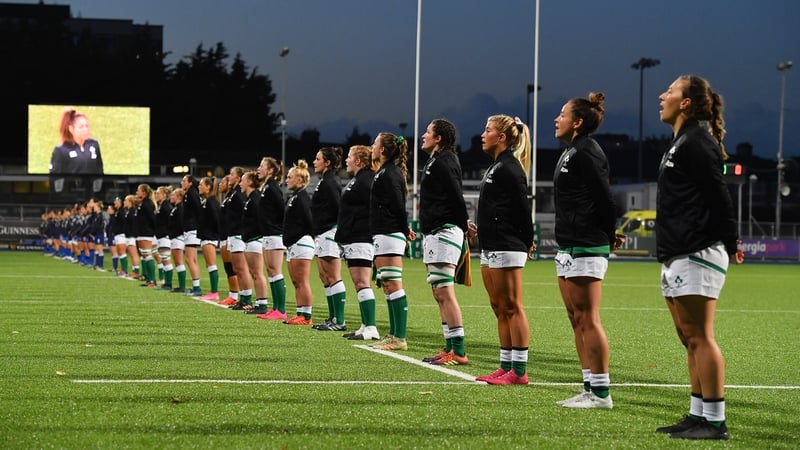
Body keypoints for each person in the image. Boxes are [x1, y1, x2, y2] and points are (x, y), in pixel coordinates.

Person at [654, 75, 743, 440]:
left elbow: (718, 195)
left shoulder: (697, 141)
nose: (663, 95)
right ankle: (697, 414)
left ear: (687, 102)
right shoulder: (681, 142)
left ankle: (716, 422)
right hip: (679, 252)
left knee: (701, 336)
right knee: (688, 337)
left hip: (698, 251)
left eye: (670, 91)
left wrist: (731, 240)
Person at [552, 93, 624, 408]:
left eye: (562, 114)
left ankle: (602, 393)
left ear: (578, 122)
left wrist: (609, 234)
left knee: (588, 318)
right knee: (576, 318)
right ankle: (589, 387)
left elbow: (605, 198)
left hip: (586, 244)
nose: (557, 119)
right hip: (569, 244)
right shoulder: (572, 151)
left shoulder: (587, 151)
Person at [472, 115, 534, 385]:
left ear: (502, 138)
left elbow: (522, 210)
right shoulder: (497, 167)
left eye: (487, 130)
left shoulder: (510, 167)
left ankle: (519, 372)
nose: (482, 135)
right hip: (492, 244)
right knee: (499, 307)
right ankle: (505, 365)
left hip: (508, 245)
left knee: (512, 306)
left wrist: (527, 240)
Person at [418, 119, 470, 366]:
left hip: (445, 231)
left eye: (428, 132)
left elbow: (455, 196)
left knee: (444, 291)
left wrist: (463, 222)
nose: (423, 135)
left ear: (439, 138)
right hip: (436, 231)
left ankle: (458, 350)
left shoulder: (446, 161)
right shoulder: (436, 161)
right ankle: (449, 345)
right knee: (438, 292)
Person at [369, 132, 414, 351]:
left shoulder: (391, 173)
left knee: (393, 283)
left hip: (390, 233)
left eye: (375, 143)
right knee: (387, 284)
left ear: (384, 150)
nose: (372, 146)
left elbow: (398, 204)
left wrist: (404, 229)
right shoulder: (384, 172)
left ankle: (399, 337)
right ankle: (394, 335)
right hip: (383, 233)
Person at [337, 145, 380, 341]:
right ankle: (365, 325)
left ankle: (371, 327)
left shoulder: (367, 180)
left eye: (349, 156)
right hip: (354, 237)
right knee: (358, 283)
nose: (346, 160)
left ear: (359, 161)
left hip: (361, 237)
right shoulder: (359, 179)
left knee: (362, 282)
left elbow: (375, 207)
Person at [311, 147, 347, 331]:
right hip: (322, 233)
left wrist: (336, 230)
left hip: (329, 232)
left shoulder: (331, 181)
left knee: (333, 276)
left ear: (328, 163)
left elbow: (337, 207)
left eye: (317, 159)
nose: (314, 162)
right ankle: (332, 317)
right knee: (324, 276)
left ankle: (339, 321)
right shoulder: (324, 180)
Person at [255, 157, 288, 321]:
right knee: (271, 272)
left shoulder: (273, 187)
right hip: (268, 234)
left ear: (270, 170)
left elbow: (282, 210)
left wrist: (279, 229)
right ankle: (275, 308)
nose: (258, 169)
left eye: (261, 166)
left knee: (276, 271)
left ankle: (281, 309)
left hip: (275, 234)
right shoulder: (266, 187)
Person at [282, 160, 315, 325]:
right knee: (296, 281)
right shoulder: (295, 197)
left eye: (290, 177)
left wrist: (297, 236)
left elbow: (309, 222)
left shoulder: (302, 198)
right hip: (294, 243)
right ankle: (300, 312)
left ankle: (306, 316)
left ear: (300, 180)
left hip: (301, 242)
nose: (286, 180)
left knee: (301, 281)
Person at [238, 171, 270, 314]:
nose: (240, 183)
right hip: (251, 240)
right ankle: (258, 302)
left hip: (255, 240)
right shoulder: (251, 198)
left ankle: (262, 305)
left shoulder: (255, 198)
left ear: (250, 182)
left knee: (257, 273)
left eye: (242, 180)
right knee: (254, 273)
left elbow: (261, 219)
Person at [49, 108, 104, 175]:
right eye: (81, 127)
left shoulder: (93, 144)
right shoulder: (61, 150)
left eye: (87, 126)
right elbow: (55, 178)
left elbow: (100, 172)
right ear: (71, 129)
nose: (85, 129)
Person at [217, 174, 242, 306]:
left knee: (233, 268)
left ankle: (235, 295)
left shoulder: (235, 195)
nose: (220, 184)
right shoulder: (228, 197)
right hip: (225, 236)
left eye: (223, 182)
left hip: (231, 235)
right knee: (229, 267)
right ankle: (233, 294)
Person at [198, 177, 222, 302]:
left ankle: (214, 292)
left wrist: (214, 234)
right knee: (209, 264)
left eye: (201, 184)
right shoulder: (208, 201)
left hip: (209, 236)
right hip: (206, 236)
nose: (199, 186)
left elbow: (217, 219)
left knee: (212, 265)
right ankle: (213, 291)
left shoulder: (212, 201)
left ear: (208, 187)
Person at [181, 175, 203, 296]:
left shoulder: (192, 193)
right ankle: (196, 286)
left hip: (192, 229)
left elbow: (198, 209)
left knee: (190, 259)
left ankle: (197, 288)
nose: (182, 183)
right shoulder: (190, 193)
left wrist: (196, 225)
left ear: (190, 183)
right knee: (191, 259)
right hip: (191, 228)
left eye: (184, 181)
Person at [135, 184, 158, 287]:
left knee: (148, 255)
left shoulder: (147, 203)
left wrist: (153, 231)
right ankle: (149, 279)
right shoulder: (142, 203)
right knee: (145, 255)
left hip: (146, 232)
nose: (136, 192)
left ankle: (152, 280)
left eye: (138, 190)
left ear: (144, 192)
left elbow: (152, 218)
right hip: (141, 232)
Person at [155, 186, 174, 287]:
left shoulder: (166, 206)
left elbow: (170, 221)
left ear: (164, 195)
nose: (156, 195)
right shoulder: (162, 205)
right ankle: (166, 283)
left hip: (165, 236)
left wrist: (167, 232)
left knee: (166, 259)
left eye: (158, 193)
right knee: (163, 259)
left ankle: (168, 283)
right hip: (162, 235)